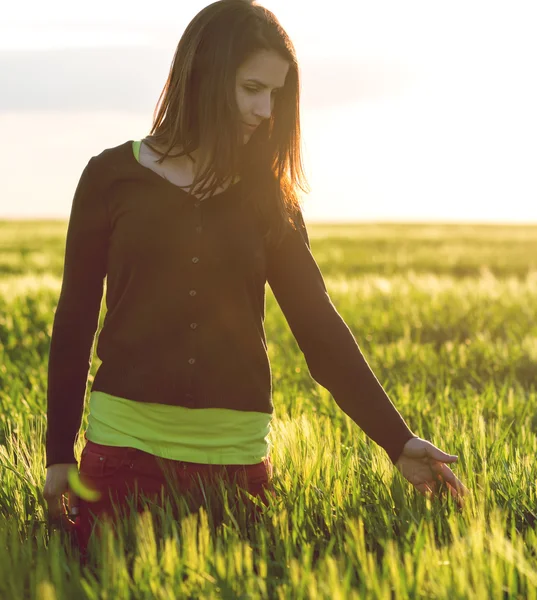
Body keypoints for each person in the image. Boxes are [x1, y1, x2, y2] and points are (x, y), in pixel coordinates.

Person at [43, 0, 468, 558]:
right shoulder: (110, 178)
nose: (265, 110)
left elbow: (319, 330)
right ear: (202, 76)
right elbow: (74, 322)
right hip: (122, 458)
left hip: (235, 468)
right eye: (251, 89)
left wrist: (398, 440)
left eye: (276, 94)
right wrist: (57, 455)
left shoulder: (270, 198)